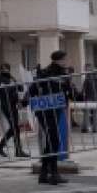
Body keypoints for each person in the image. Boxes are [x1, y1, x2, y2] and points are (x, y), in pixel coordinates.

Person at [28, 50, 71, 186]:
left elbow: (68, 91)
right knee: (54, 140)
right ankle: (53, 173)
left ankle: (45, 173)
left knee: (52, 141)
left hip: (55, 110)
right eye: (65, 59)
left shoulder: (63, 73)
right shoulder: (46, 72)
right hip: (45, 111)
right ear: (59, 60)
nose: (66, 61)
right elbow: (33, 90)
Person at [0, 63, 30, 158]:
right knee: (14, 127)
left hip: (13, 104)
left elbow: (20, 88)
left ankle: (17, 150)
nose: (5, 70)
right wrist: (13, 86)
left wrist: (15, 85)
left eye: (6, 68)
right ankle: (1, 146)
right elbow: (4, 90)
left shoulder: (11, 78)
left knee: (15, 128)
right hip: (6, 105)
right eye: (3, 69)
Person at [81, 64, 97, 133]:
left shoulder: (87, 79)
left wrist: (83, 96)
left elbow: (84, 90)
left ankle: (85, 128)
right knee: (95, 113)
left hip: (89, 98)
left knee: (86, 113)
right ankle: (95, 128)